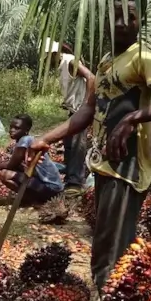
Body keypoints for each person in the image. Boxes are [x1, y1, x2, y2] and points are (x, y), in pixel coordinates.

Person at [30, 0, 151, 295]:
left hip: (127, 165)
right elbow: (88, 110)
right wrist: (46, 139)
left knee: (114, 249)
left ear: (139, 22)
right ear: (105, 23)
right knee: (103, 243)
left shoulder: (143, 57)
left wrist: (134, 117)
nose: (121, 23)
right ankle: (107, 300)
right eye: (114, 17)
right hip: (104, 163)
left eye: (129, 17)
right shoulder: (106, 61)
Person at [0, 114, 65, 205]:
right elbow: (18, 167)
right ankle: (32, 199)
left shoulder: (25, 140)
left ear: (26, 130)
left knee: (4, 174)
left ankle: (32, 200)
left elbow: (11, 165)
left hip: (51, 189)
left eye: (16, 128)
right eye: (11, 127)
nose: (12, 130)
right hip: (52, 188)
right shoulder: (26, 140)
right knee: (6, 173)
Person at [55, 43, 92, 195]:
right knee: (69, 145)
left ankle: (76, 183)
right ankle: (71, 178)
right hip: (73, 111)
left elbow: (91, 78)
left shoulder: (69, 61)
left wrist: (86, 104)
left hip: (80, 111)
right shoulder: (62, 63)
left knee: (77, 145)